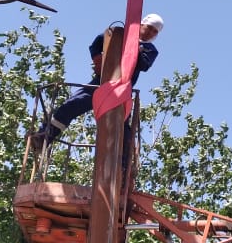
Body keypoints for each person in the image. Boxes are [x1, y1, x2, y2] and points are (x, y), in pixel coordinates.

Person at [34, 13, 164, 147]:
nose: (150, 33)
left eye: (155, 32)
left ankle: (124, 159)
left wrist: (135, 48)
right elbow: (97, 43)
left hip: (122, 89)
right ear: (141, 25)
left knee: (121, 125)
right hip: (101, 82)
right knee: (72, 104)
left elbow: (144, 65)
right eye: (149, 27)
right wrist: (97, 59)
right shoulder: (120, 35)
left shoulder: (150, 49)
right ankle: (43, 137)